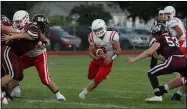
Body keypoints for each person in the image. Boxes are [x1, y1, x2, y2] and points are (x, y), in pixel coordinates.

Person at [10, 11, 65, 101]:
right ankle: (16, 90)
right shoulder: (21, 27)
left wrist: (44, 42)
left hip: (39, 57)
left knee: (45, 79)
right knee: (15, 70)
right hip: (27, 56)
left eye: (18, 21)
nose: (16, 23)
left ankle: (59, 94)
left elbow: (40, 35)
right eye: (15, 21)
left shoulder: (32, 27)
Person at [127, 23, 187, 102]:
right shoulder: (173, 37)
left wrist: (135, 59)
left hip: (174, 60)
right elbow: (172, 55)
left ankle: (157, 95)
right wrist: (158, 57)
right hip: (183, 60)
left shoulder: (160, 38)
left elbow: (150, 52)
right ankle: (164, 90)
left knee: (151, 72)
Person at [79, 19, 121, 99]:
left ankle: (84, 92)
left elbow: (118, 50)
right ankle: (103, 76)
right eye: (96, 30)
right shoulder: (91, 36)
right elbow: (90, 51)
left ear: (104, 27)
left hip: (107, 61)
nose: (98, 31)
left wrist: (111, 59)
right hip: (97, 60)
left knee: (97, 80)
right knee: (90, 76)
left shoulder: (112, 35)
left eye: (99, 29)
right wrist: (97, 55)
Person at [163, 6, 187, 101]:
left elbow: (180, 33)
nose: (167, 16)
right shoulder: (174, 20)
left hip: (182, 45)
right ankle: (177, 95)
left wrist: (173, 40)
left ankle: (163, 89)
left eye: (169, 13)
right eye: (166, 14)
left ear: (173, 13)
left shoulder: (172, 21)